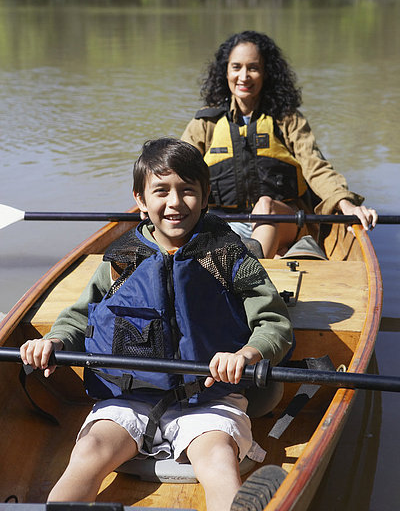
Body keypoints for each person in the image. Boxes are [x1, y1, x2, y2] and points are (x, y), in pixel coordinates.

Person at [20, 137, 292, 511]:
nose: (175, 203)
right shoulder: (122, 258)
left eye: (187, 191)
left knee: (217, 459)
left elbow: (274, 322)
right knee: (88, 450)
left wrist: (246, 353)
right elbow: (81, 314)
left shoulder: (229, 257)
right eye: (161, 191)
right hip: (129, 396)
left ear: (206, 195)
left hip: (209, 395)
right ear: (141, 201)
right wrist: (54, 341)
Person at [181, 30, 378, 258]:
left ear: (266, 74)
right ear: (225, 72)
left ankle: (252, 272)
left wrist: (345, 203)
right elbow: (179, 169)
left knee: (266, 206)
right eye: (236, 67)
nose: (244, 76)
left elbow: (315, 165)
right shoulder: (206, 122)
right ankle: (263, 256)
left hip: (284, 221)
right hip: (225, 223)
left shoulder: (287, 119)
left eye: (253, 68)